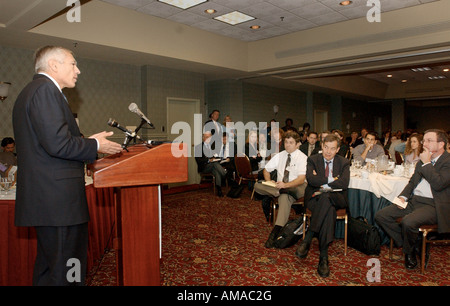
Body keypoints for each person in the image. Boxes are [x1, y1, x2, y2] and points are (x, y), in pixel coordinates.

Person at [12, 45, 123, 286]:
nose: (78, 70)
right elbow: (58, 145)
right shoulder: (45, 91)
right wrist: (94, 145)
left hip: (49, 201)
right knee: (67, 271)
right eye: (73, 64)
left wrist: (88, 142)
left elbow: (50, 143)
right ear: (54, 65)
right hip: (58, 202)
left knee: (50, 268)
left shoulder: (33, 91)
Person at [375, 129, 450, 270]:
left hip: (434, 205)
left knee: (408, 222)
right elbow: (412, 182)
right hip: (414, 201)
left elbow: (439, 184)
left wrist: (427, 163)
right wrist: (403, 196)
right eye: (424, 140)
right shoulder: (424, 160)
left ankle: (409, 252)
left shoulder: (446, 161)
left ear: (441, 144)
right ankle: (413, 244)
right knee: (381, 216)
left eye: (429, 140)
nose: (424, 143)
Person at [295, 134, 350, 277]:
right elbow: (311, 180)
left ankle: (309, 237)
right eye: (326, 147)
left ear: (337, 149)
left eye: (332, 148)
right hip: (315, 199)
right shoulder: (313, 159)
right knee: (328, 208)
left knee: (327, 198)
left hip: (337, 198)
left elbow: (344, 183)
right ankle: (323, 257)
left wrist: (322, 180)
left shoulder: (344, 162)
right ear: (322, 146)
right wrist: (333, 179)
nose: (328, 151)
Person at [253, 131, 307, 248]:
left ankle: (274, 233)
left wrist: (285, 186)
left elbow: (301, 179)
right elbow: (266, 170)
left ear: (298, 144)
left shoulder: (303, 157)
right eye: (286, 142)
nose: (287, 145)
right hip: (280, 188)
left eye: (291, 143)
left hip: (296, 187)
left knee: (285, 194)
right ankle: (276, 231)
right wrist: (269, 181)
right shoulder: (280, 155)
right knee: (258, 185)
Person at [195, 131, 227, 197]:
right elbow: (198, 160)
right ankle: (225, 174)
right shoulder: (198, 147)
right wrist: (209, 160)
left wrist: (216, 158)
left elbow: (217, 155)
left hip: (213, 166)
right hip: (204, 167)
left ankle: (219, 190)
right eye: (206, 137)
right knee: (214, 164)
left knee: (216, 170)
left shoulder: (213, 146)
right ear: (203, 138)